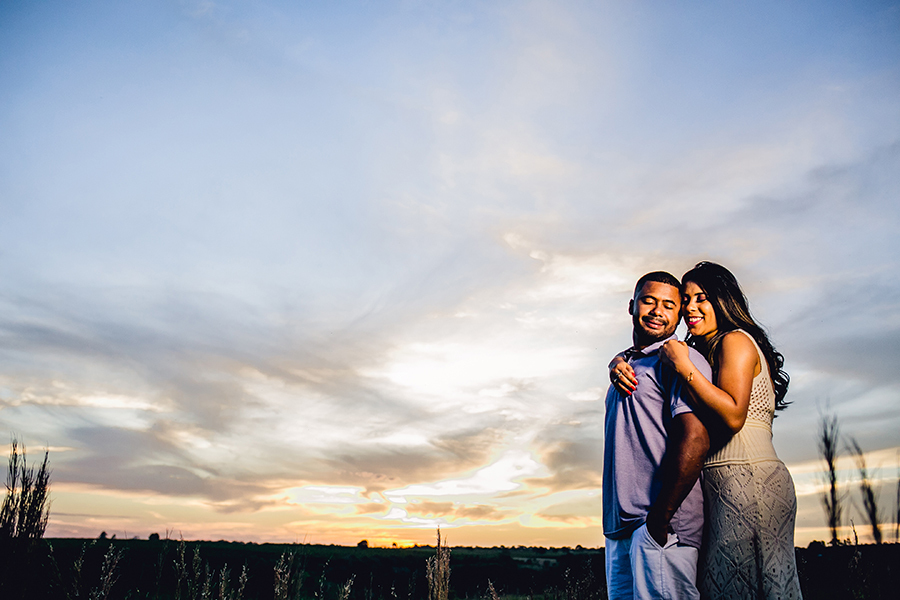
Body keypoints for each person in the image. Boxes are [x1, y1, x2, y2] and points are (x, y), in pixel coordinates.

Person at [611, 262, 802, 599]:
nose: (691, 308)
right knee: (731, 585)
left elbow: (731, 417)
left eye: (703, 298)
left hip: (748, 477)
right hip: (722, 481)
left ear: (724, 302)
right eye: (687, 300)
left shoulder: (735, 341)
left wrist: (683, 366)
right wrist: (620, 360)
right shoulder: (706, 351)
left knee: (753, 584)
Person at [603, 271, 712, 600]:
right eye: (648, 301)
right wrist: (617, 360)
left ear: (679, 314)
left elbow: (696, 439)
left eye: (668, 305)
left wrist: (659, 521)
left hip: (661, 527)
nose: (656, 311)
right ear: (632, 306)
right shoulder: (629, 362)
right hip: (621, 528)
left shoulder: (680, 360)